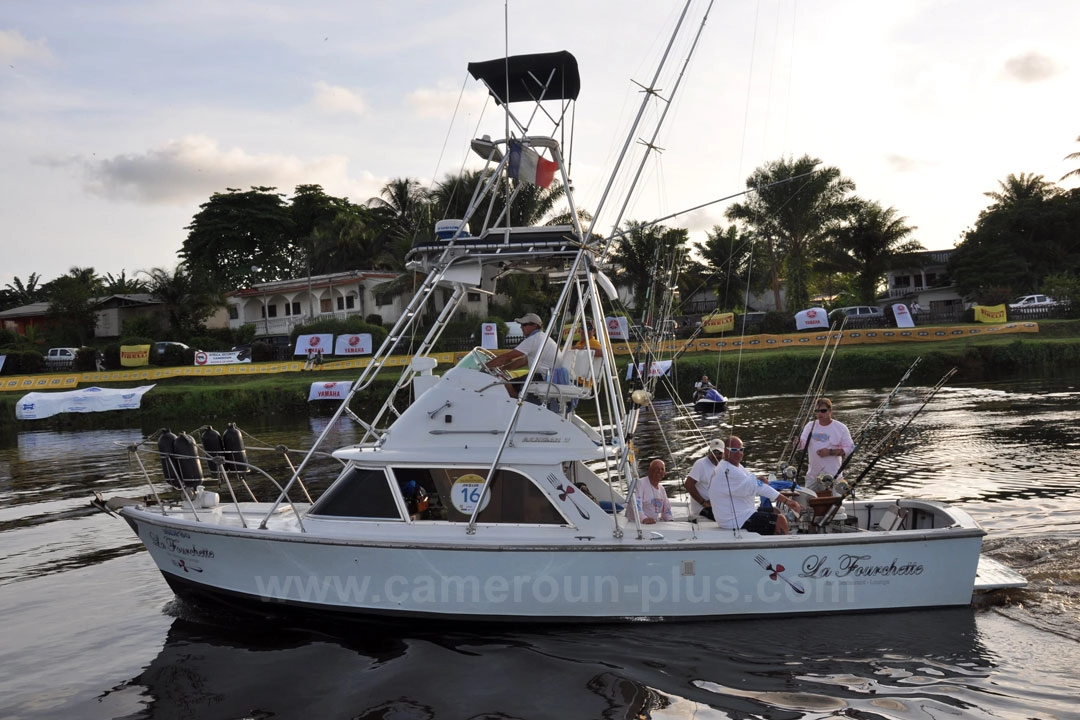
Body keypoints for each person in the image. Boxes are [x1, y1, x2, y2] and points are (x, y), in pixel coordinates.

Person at [710, 436, 801, 534]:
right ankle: (785, 546)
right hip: (735, 519)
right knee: (780, 520)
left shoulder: (733, 466)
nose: (739, 453)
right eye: (734, 450)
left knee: (775, 511)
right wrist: (788, 501)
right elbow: (758, 487)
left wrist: (757, 479)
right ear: (726, 451)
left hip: (739, 513)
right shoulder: (729, 470)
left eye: (741, 449)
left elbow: (748, 481)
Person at [485, 313, 558, 398]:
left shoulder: (534, 339)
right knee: (510, 383)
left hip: (542, 377)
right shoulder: (542, 337)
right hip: (546, 376)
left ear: (534, 326)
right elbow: (522, 362)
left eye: (524, 325)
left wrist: (484, 367)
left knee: (504, 385)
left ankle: (518, 405)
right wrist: (502, 368)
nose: (521, 327)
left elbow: (507, 357)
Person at [795, 397, 855, 494]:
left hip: (833, 476)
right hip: (812, 476)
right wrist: (797, 443)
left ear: (830, 411)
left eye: (823, 411)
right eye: (817, 411)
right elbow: (802, 445)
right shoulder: (810, 426)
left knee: (834, 503)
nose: (819, 414)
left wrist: (830, 452)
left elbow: (850, 448)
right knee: (807, 502)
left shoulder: (841, 428)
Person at [685, 438, 724, 521]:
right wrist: (703, 502)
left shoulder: (724, 465)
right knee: (724, 516)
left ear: (724, 453)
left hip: (717, 504)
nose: (716, 456)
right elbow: (688, 484)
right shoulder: (700, 464)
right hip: (702, 507)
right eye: (714, 452)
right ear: (709, 452)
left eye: (720, 453)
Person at [628, 459, 673, 524]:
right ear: (650, 471)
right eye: (656, 469)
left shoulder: (662, 489)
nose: (659, 471)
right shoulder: (640, 483)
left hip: (652, 524)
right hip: (636, 523)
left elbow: (666, 509)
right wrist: (644, 518)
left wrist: (670, 520)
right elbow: (635, 504)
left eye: (662, 469)